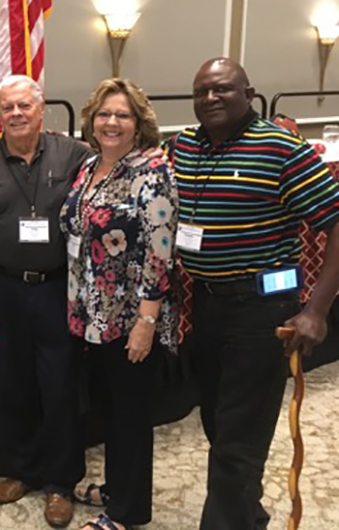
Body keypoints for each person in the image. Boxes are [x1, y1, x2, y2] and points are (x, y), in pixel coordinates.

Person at [170, 58, 339, 530]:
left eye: (222, 89)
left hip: (262, 310)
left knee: (239, 440)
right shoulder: (184, 145)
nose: (210, 99)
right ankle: (247, 516)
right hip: (205, 305)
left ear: (248, 92)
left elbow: (336, 223)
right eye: (201, 91)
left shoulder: (283, 148)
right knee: (219, 426)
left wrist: (318, 309)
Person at [0, 75, 89, 528]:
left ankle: (60, 482)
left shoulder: (75, 156)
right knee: (10, 384)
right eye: (7, 107)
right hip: (2, 290)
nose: (15, 114)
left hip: (57, 289)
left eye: (24, 106)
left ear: (41, 107)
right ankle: (23, 470)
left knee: (61, 385)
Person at [60, 78, 178, 530]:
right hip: (91, 314)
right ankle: (116, 489)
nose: (111, 122)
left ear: (138, 123)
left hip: (130, 318)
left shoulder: (152, 171)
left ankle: (127, 513)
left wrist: (146, 322)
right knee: (108, 408)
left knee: (129, 416)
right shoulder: (90, 167)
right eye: (104, 114)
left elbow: (160, 251)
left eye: (122, 115)